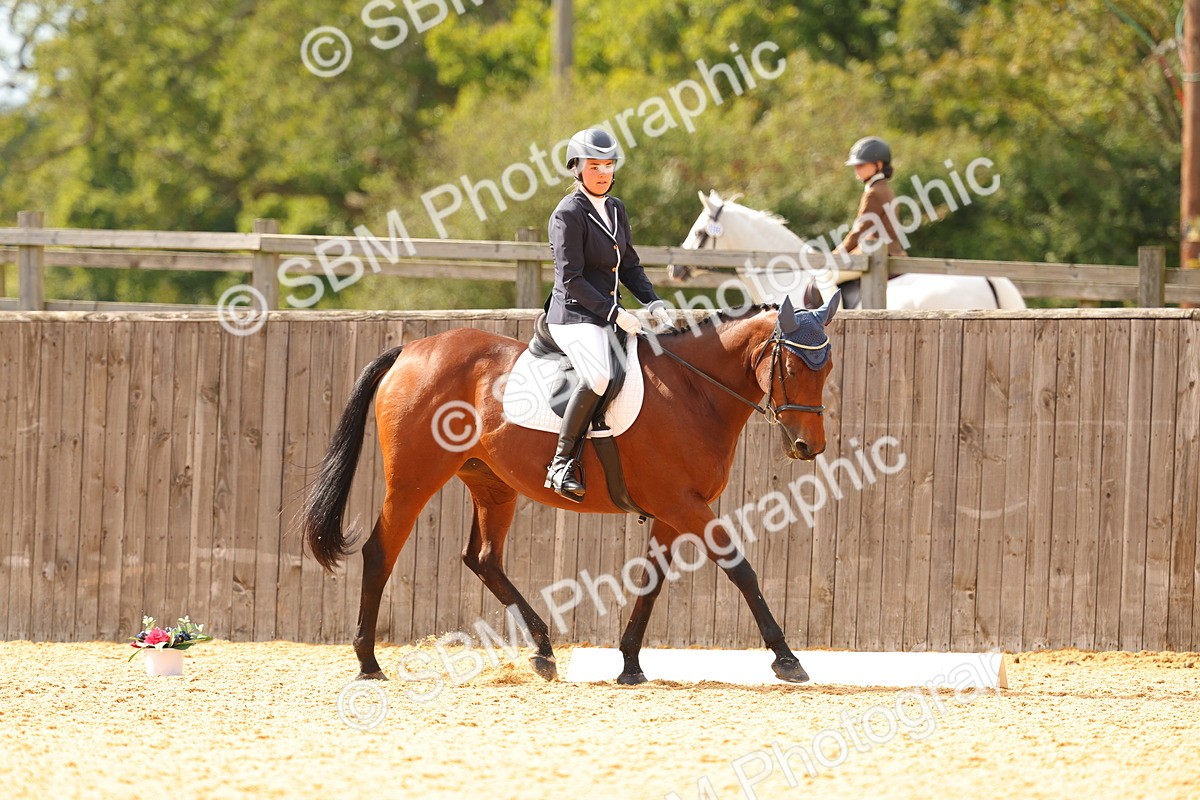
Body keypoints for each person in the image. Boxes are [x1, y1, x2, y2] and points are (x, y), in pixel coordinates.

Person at [544, 127, 672, 502]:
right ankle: (561, 463)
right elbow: (571, 279)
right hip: (573, 316)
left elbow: (629, 265)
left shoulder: (616, 209)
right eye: (594, 166)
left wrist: (652, 301)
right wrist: (615, 313)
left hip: (608, 313)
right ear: (577, 168)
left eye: (608, 165)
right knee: (599, 375)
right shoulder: (567, 214)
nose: (602, 173)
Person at [831, 136, 907, 294]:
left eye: (861, 165)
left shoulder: (874, 193)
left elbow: (860, 230)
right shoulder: (885, 189)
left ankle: (833, 310)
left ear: (878, 165)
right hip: (889, 251)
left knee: (825, 277)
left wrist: (838, 253)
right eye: (855, 165)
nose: (856, 169)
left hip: (875, 255)